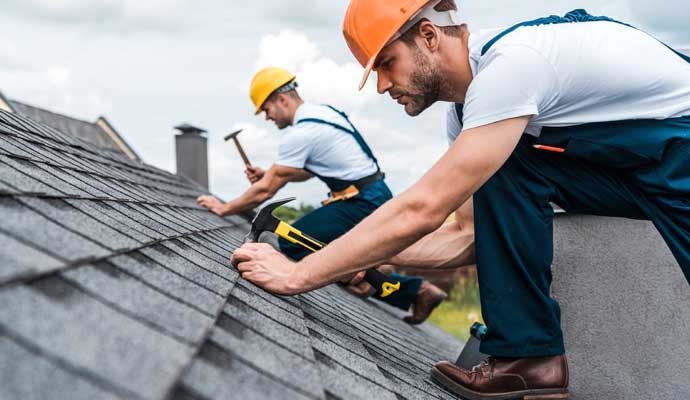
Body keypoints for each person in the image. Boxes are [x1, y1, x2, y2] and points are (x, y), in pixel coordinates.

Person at [230, 1, 690, 398]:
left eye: (386, 63)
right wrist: (351, 258)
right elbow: (467, 236)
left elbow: (424, 207)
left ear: (428, 36)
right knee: (507, 164)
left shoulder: (513, 66)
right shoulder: (473, 116)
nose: (382, 86)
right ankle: (529, 361)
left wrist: (299, 273)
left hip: (678, 150)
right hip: (639, 168)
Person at [197, 66, 447, 324]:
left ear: (282, 99)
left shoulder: (302, 131)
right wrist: (268, 174)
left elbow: (266, 190)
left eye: (267, 110)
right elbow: (304, 172)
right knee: (334, 253)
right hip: (369, 195)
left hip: (360, 201)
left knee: (290, 243)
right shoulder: (323, 114)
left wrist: (223, 208)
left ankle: (391, 284)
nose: (268, 118)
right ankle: (409, 289)